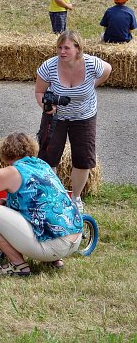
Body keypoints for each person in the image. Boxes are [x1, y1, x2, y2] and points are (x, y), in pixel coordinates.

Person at [0, 132, 83, 276]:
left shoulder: (12, 172)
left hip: (53, 247)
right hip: (75, 239)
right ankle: (55, 260)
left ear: (6, 153)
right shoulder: (42, 165)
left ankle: (18, 265)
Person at [35, 30, 112, 212]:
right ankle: (54, 196)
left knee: (83, 158)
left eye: (66, 48)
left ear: (78, 48)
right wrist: (46, 106)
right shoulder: (49, 66)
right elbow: (39, 91)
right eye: (59, 47)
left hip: (84, 116)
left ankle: (76, 198)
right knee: (48, 157)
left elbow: (108, 69)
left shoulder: (91, 64)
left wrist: (93, 85)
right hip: (56, 117)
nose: (62, 51)